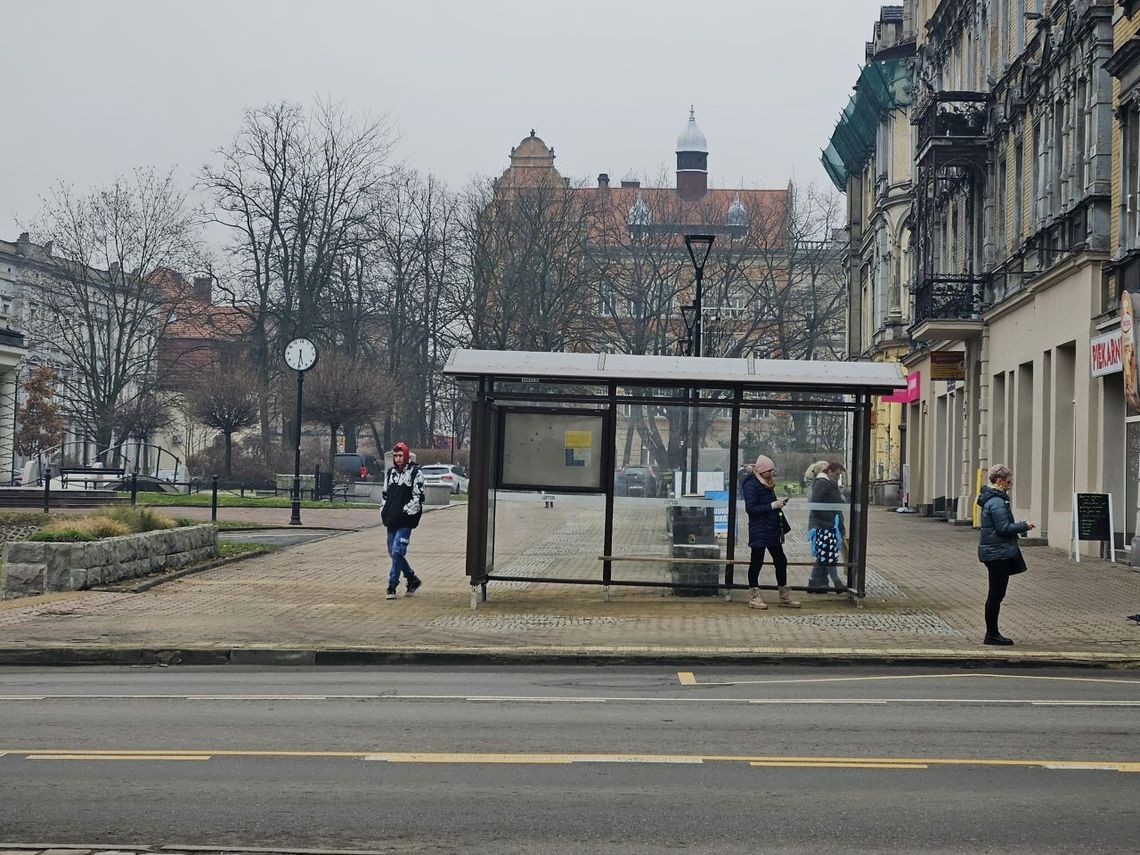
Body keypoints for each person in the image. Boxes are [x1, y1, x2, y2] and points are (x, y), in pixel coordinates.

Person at [976, 463, 1034, 645]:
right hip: (998, 553)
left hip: (994, 552)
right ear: (1000, 481)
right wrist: (1025, 525)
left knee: (996, 594)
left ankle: (992, 633)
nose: (1010, 484)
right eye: (1009, 481)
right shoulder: (997, 502)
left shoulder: (992, 500)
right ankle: (991, 634)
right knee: (996, 595)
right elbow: (1003, 528)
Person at [740, 453, 800, 610]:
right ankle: (754, 596)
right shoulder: (752, 484)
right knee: (756, 561)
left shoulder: (766, 483)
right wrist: (772, 506)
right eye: (769, 470)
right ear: (761, 471)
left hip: (770, 528)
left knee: (781, 560)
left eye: (772, 470)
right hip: (759, 529)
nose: (771, 473)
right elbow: (751, 508)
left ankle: (784, 594)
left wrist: (776, 504)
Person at [381, 441, 426, 600]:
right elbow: (385, 495)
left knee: (398, 550)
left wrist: (405, 512)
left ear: (406, 456)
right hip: (391, 519)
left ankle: (392, 585)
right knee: (393, 553)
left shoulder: (415, 473)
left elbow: (418, 497)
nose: (398, 459)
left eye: (400, 455)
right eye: (396, 456)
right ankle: (412, 578)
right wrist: (384, 511)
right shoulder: (390, 473)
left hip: (406, 520)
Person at [807, 461, 847, 594]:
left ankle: (816, 583)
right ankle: (836, 583)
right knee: (829, 555)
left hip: (828, 524)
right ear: (830, 472)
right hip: (824, 525)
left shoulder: (827, 482)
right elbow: (817, 504)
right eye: (837, 474)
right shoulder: (822, 483)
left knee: (824, 555)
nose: (838, 477)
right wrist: (831, 520)